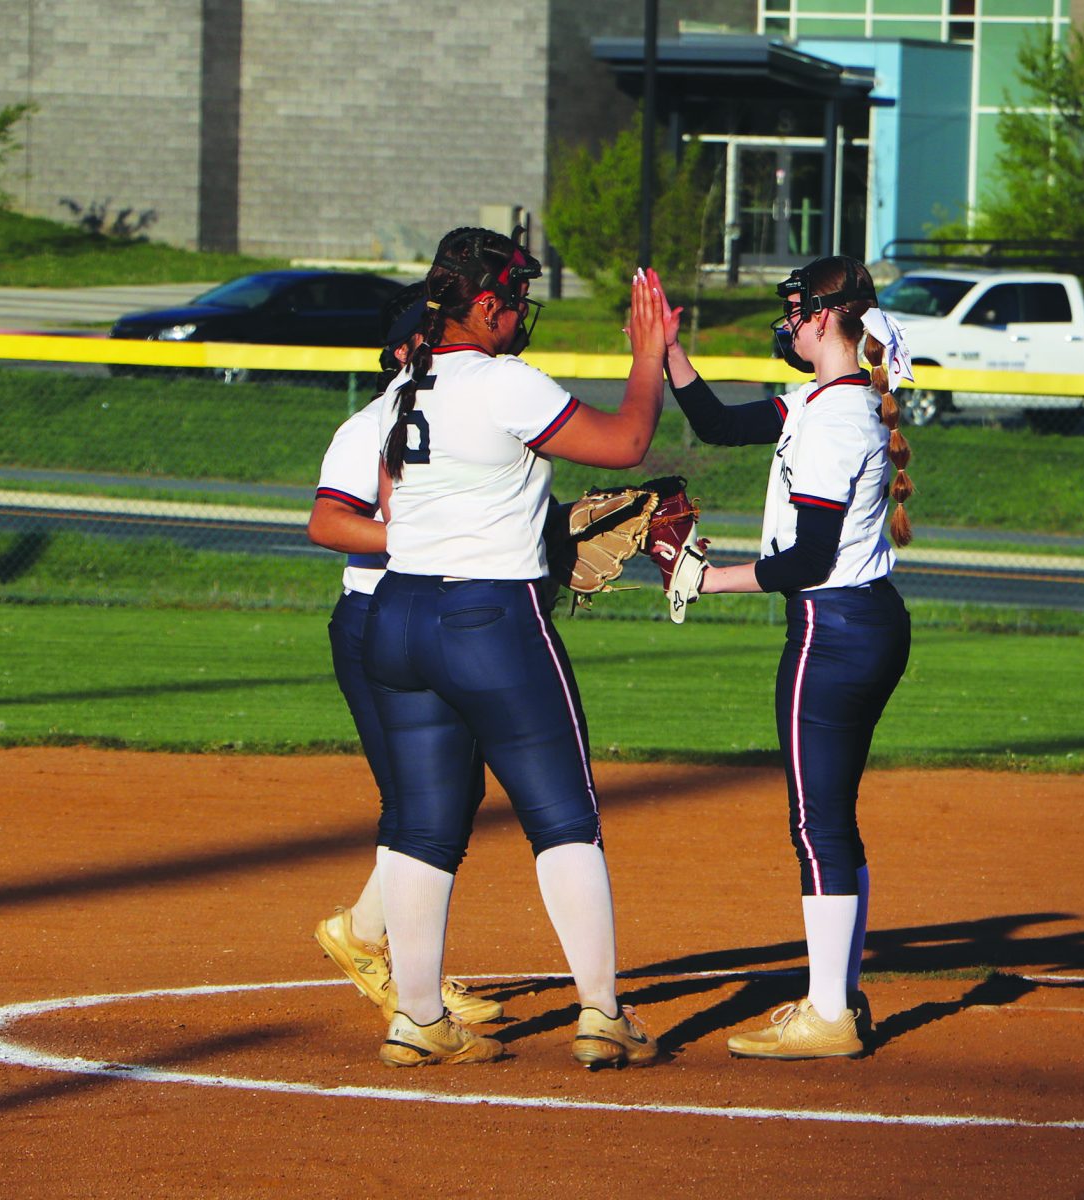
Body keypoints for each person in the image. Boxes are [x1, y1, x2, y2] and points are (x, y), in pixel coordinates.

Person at [362, 227, 668, 1069]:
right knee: (564, 817)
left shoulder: (403, 389)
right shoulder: (503, 382)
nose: (520, 316)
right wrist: (648, 358)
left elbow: (405, 502)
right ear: (486, 304)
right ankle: (603, 1012)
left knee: (421, 827)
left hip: (398, 614)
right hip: (490, 619)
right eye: (515, 301)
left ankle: (418, 1020)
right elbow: (628, 443)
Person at [659, 255, 914, 1060]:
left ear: (827, 319)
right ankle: (835, 996)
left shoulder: (837, 418)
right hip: (863, 624)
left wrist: (705, 577)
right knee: (831, 818)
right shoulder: (826, 399)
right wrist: (669, 354)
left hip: (832, 629)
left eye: (797, 309)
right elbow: (717, 425)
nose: (787, 321)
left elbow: (807, 559)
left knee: (816, 823)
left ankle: (830, 1014)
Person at [307, 281, 502, 1027]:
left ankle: (360, 934)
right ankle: (398, 975)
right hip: (373, 619)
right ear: (401, 350)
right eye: (428, 333)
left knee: (453, 795)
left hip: (436, 618)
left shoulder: (463, 416)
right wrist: (429, 541)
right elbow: (329, 523)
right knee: (424, 801)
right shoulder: (375, 424)